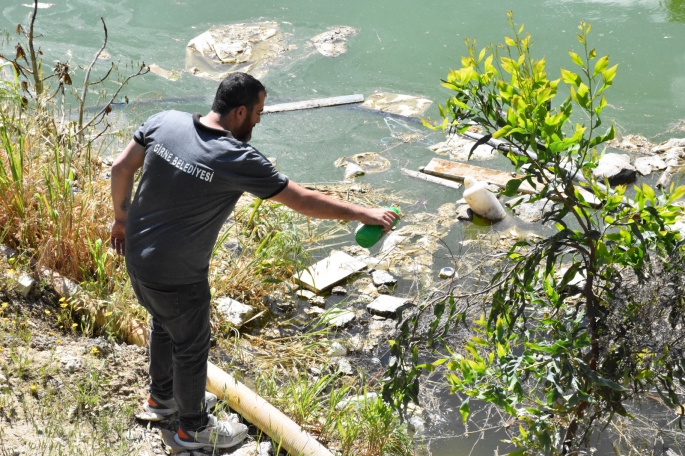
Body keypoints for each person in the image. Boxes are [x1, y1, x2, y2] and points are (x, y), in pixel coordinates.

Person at [109, 72, 399, 450]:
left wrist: (120, 220)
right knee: (191, 343)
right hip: (178, 274)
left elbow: (120, 167)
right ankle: (192, 429)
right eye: (259, 112)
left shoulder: (165, 121)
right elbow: (302, 200)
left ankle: (161, 400)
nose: (260, 120)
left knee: (166, 325)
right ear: (241, 112)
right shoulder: (237, 157)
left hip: (136, 257)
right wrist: (362, 213)